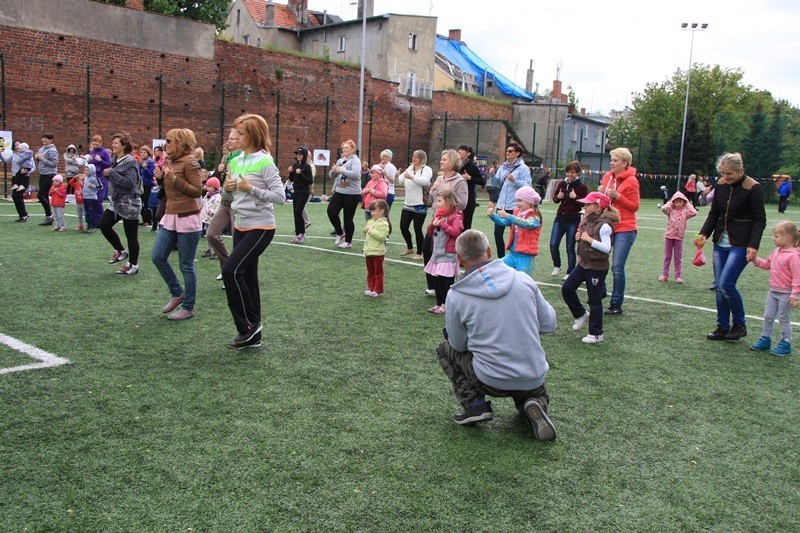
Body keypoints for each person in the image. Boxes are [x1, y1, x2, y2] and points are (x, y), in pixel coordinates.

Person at [435, 229, 557, 441]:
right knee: (534, 391)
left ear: (459, 259)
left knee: (444, 348)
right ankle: (534, 403)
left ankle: (475, 404)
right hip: (532, 374)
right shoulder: (524, 280)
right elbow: (549, 324)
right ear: (489, 251)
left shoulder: (456, 295)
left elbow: (458, 344)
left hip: (489, 379)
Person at [221, 113, 286, 349]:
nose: (235, 136)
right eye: (235, 131)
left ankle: (247, 327)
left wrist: (251, 189)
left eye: (240, 132)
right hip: (240, 224)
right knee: (248, 277)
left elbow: (280, 197)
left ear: (253, 135)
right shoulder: (235, 160)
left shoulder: (265, 161)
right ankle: (254, 334)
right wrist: (228, 189)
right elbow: (228, 196)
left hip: (261, 227)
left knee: (231, 271)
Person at [695, 152, 767, 341]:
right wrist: (703, 233)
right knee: (719, 287)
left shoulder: (753, 188)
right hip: (720, 242)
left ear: (740, 170)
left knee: (726, 284)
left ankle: (739, 325)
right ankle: (722, 326)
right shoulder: (720, 185)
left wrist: (753, 245)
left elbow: (760, 220)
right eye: (723, 173)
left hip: (740, 243)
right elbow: (714, 213)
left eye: (729, 174)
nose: (725, 178)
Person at [151, 128, 203, 320]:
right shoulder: (169, 162)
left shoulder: (190, 162)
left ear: (181, 143)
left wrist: (173, 179)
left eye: (169, 140)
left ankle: (188, 307)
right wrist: (160, 178)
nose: (166, 144)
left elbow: (197, 191)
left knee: (186, 265)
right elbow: (169, 189)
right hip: (170, 215)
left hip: (187, 218)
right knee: (157, 256)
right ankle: (177, 291)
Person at [562, 192, 619, 344]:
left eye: (588, 204)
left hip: (596, 267)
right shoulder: (586, 221)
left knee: (594, 300)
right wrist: (579, 239)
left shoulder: (605, 225)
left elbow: (607, 248)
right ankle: (580, 314)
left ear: (598, 206)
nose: (584, 206)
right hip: (584, 264)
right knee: (567, 288)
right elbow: (584, 239)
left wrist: (588, 239)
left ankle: (596, 333)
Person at [598, 147, 640, 315]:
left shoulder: (632, 181)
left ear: (625, 163)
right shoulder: (607, 177)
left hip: (625, 228)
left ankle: (616, 303)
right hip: (607, 224)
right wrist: (599, 194)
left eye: (615, 160)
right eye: (612, 160)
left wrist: (618, 196)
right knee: (599, 259)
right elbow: (602, 202)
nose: (612, 163)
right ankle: (601, 291)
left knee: (617, 267)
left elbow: (635, 206)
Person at [749, 221, 800, 356]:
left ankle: (786, 343)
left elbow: (797, 276)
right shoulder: (777, 251)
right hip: (773, 291)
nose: (774, 238)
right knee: (768, 316)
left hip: (786, 294)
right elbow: (767, 265)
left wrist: (795, 294)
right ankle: (765, 339)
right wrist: (754, 259)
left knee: (783, 318)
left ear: (787, 238)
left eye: (776, 236)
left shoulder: (794, 256)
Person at [424, 149, 468, 295]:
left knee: (445, 255)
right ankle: (433, 285)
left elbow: (462, 205)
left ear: (453, 162)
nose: (441, 161)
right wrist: (432, 192)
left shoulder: (460, 181)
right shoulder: (439, 178)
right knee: (427, 249)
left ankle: (445, 286)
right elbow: (433, 202)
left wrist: (451, 192)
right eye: (441, 159)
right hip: (436, 220)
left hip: (449, 223)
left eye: (444, 159)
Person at [100, 132, 142, 275]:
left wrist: (111, 174)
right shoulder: (115, 159)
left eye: (116, 143)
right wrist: (108, 174)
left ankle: (133, 265)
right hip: (117, 201)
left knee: (131, 236)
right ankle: (121, 251)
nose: (113, 145)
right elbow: (116, 178)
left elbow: (130, 184)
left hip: (130, 202)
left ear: (124, 145)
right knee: (104, 224)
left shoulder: (130, 161)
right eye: (112, 143)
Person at [206, 128, 241, 282]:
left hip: (237, 202)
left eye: (232, 138)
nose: (229, 141)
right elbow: (221, 181)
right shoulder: (227, 157)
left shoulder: (243, 157)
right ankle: (227, 267)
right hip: (225, 201)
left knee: (238, 240)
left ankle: (235, 274)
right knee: (211, 234)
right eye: (229, 138)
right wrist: (219, 171)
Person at [424, 189, 463, 315]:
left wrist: (442, 224)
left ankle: (447, 305)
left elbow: (456, 231)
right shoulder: (438, 214)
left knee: (445, 282)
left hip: (448, 254)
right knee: (437, 281)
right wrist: (432, 225)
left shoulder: (456, 215)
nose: (437, 203)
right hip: (437, 254)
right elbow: (430, 233)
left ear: (449, 202)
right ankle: (439, 303)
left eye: (440, 201)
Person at [487, 185, 541, 277]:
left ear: (530, 201)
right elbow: (503, 222)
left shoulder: (535, 217)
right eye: (516, 201)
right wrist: (493, 215)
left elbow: (527, 224)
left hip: (526, 256)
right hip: (513, 254)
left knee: (523, 280)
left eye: (520, 201)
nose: (517, 203)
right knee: (496, 267)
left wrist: (508, 216)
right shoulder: (517, 214)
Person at [490, 142, 532, 259]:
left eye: (510, 151)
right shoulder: (503, 166)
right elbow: (496, 183)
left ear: (517, 153)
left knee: (516, 234)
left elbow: (528, 186)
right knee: (497, 233)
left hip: (515, 206)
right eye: (507, 151)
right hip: (502, 204)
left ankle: (514, 257)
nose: (507, 153)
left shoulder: (523, 168)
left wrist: (515, 180)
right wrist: (493, 175)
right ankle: (501, 258)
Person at [550, 160, 588, 278]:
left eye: (572, 172)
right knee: (553, 244)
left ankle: (570, 271)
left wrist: (576, 197)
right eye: (568, 172)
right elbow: (555, 199)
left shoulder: (582, 186)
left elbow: (585, 204)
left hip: (573, 220)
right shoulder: (562, 183)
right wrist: (558, 197)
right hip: (560, 219)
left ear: (578, 173)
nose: (570, 175)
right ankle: (557, 265)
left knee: (570, 247)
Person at [398, 149, 432, 260]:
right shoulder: (410, 168)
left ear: (422, 159)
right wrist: (402, 176)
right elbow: (400, 179)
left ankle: (419, 252)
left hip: (420, 204)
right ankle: (409, 247)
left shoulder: (426, 169)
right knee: (403, 227)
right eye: (413, 156)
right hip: (408, 203)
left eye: (416, 157)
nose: (413, 159)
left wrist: (412, 177)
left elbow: (425, 182)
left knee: (417, 229)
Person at [327, 139, 362, 249]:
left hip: (352, 194)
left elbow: (356, 175)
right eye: (343, 148)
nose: (344, 149)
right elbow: (332, 176)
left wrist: (341, 170)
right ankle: (340, 233)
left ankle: (348, 242)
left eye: (346, 147)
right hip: (339, 191)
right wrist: (333, 171)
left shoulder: (355, 160)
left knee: (348, 218)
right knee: (331, 211)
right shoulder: (340, 161)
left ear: (352, 149)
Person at [658, 191, 697, 283]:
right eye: (676, 202)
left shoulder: (686, 212)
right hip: (669, 236)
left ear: (684, 202)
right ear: (673, 202)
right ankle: (665, 275)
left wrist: (687, 204)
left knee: (678, 258)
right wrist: (670, 203)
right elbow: (663, 208)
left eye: (680, 202)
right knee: (667, 257)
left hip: (679, 237)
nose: (678, 204)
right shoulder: (670, 210)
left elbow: (694, 212)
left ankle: (678, 276)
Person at [362, 199, 391, 297]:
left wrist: (371, 231)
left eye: (374, 211)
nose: (371, 213)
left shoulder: (383, 223)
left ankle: (377, 290)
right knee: (370, 272)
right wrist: (365, 230)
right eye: (371, 211)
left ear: (381, 212)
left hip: (378, 252)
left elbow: (382, 237)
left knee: (378, 273)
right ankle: (370, 288)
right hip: (369, 251)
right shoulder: (370, 221)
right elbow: (368, 236)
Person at [1, 141, 35, 221]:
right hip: (15, 178)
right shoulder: (13, 155)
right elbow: (5, 160)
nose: (17, 147)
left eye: (18, 145)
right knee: (15, 196)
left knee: (17, 195)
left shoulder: (27, 154)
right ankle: (23, 214)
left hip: (24, 178)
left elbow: (32, 167)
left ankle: (23, 215)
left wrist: (27, 171)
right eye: (15, 145)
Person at [287, 147, 313, 244]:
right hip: (296, 192)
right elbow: (292, 179)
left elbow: (310, 181)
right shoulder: (294, 165)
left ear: (304, 155)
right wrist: (290, 172)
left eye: (300, 154)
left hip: (304, 191)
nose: (298, 155)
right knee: (295, 213)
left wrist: (301, 173)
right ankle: (297, 234)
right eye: (297, 154)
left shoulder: (307, 166)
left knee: (298, 212)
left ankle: (302, 234)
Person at [457, 145, 485, 230]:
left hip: (468, 199)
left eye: (462, 150)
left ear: (468, 153)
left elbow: (482, 181)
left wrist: (470, 178)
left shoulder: (471, 166)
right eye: (459, 149)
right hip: (457, 198)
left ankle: (466, 243)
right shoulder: (457, 165)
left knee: (465, 225)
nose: (459, 151)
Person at [34, 133, 59, 225]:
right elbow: (39, 161)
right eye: (43, 138)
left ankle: (50, 215)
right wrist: (37, 158)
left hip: (50, 174)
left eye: (46, 138)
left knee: (40, 195)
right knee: (44, 196)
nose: (44, 140)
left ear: (51, 140)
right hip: (43, 174)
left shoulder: (52, 150)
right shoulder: (41, 149)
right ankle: (49, 217)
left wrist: (42, 158)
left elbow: (54, 164)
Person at [200, 177, 222, 258]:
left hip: (213, 219)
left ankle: (217, 251)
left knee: (215, 235)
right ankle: (209, 249)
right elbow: (203, 203)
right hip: (206, 218)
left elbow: (217, 209)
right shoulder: (207, 195)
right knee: (208, 234)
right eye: (207, 186)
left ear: (215, 187)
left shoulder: (217, 197)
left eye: (210, 187)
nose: (208, 188)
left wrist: (211, 213)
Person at [87, 135, 112, 203]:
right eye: (93, 141)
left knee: (98, 200)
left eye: (96, 141)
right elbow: (90, 166)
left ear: (100, 143)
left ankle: (99, 213)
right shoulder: (92, 152)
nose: (94, 143)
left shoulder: (104, 152)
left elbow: (109, 165)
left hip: (102, 178)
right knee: (92, 200)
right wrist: (88, 161)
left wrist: (100, 160)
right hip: (93, 178)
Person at [138, 145, 156, 226]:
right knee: (140, 202)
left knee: (146, 202)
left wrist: (145, 168)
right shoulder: (140, 162)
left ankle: (148, 220)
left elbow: (151, 175)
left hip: (148, 185)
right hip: (141, 184)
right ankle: (144, 218)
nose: (143, 154)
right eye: (141, 152)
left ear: (148, 153)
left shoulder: (150, 162)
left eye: (144, 152)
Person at [82, 163, 102, 233]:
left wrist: (92, 186)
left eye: (87, 170)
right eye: (85, 170)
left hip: (92, 199)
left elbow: (100, 187)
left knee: (92, 213)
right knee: (87, 213)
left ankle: (93, 226)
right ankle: (89, 225)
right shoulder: (86, 178)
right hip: (85, 198)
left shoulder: (94, 178)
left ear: (92, 170)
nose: (86, 172)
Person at [68, 160, 87, 231]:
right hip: (78, 203)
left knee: (85, 214)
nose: (80, 181)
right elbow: (70, 182)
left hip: (84, 202)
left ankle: (87, 225)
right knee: (79, 215)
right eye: (80, 180)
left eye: (82, 180)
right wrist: (75, 177)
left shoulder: (85, 186)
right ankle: (80, 225)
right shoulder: (76, 185)